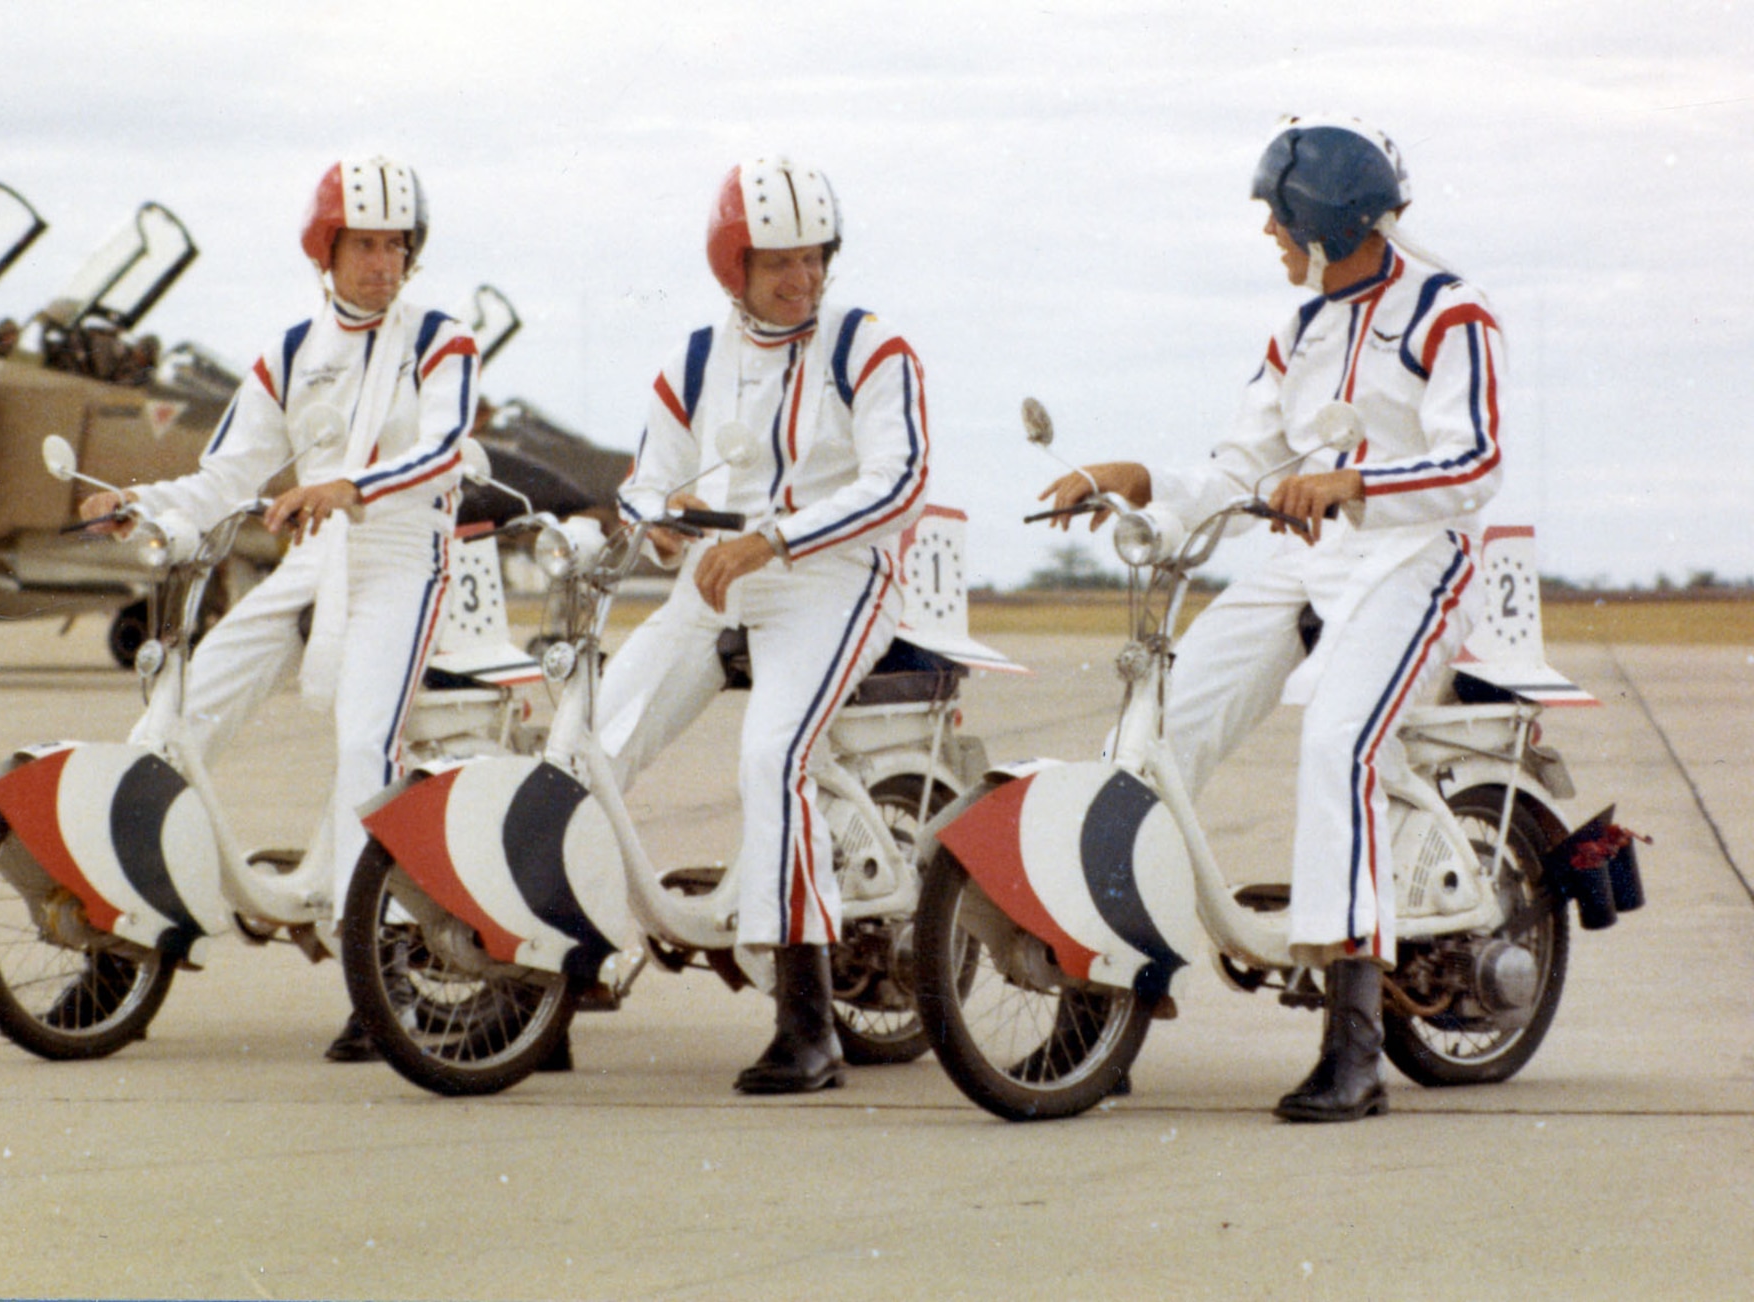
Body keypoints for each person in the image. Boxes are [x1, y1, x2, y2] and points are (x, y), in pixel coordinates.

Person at [1040, 116, 1504, 1122]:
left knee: (1335, 743)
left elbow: (1473, 463)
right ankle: (1100, 1017)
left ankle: (1352, 1046)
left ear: (1324, 216)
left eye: (1275, 216)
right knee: (1145, 737)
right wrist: (1140, 482)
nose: (1267, 236)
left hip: (1414, 560)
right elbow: (1234, 473)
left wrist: (1349, 482)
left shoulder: (1446, 311)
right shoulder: (1297, 332)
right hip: (1303, 559)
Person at [77, 155, 477, 1061]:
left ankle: (381, 981)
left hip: (404, 555)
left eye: (395, 245)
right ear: (324, 251)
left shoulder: (441, 338)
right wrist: (139, 502)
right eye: (364, 244)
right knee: (179, 712)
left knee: (365, 743)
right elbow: (226, 475)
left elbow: (448, 449)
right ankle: (115, 945)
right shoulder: (292, 353)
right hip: (315, 554)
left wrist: (345, 486)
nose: (382, 262)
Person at [596, 156, 930, 1094]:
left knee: (769, 754)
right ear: (732, 264)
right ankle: (556, 970)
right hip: (716, 578)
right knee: (593, 740)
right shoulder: (693, 363)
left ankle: (808, 1020)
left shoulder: (869, 347)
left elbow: (898, 482)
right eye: (779, 260)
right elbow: (646, 477)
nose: (805, 277)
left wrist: (776, 540)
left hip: (836, 578)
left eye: (816, 256)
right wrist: (653, 520)